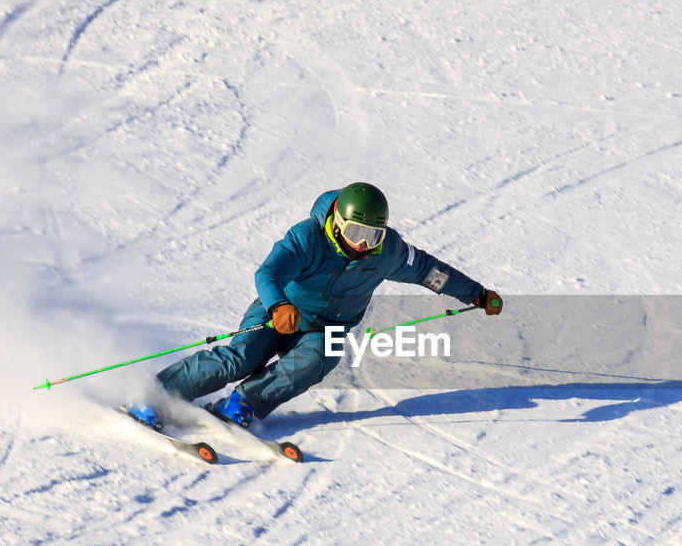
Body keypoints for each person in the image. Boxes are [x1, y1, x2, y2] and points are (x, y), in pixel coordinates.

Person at [130, 182, 502, 428]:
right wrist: (277, 306)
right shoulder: (308, 236)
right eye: (356, 233)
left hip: (328, 327)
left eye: (372, 235)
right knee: (240, 359)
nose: (362, 243)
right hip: (282, 313)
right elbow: (269, 272)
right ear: (337, 221)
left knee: (316, 359)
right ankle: (157, 394)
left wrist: (476, 294)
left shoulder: (387, 251)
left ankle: (242, 404)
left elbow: (429, 271)